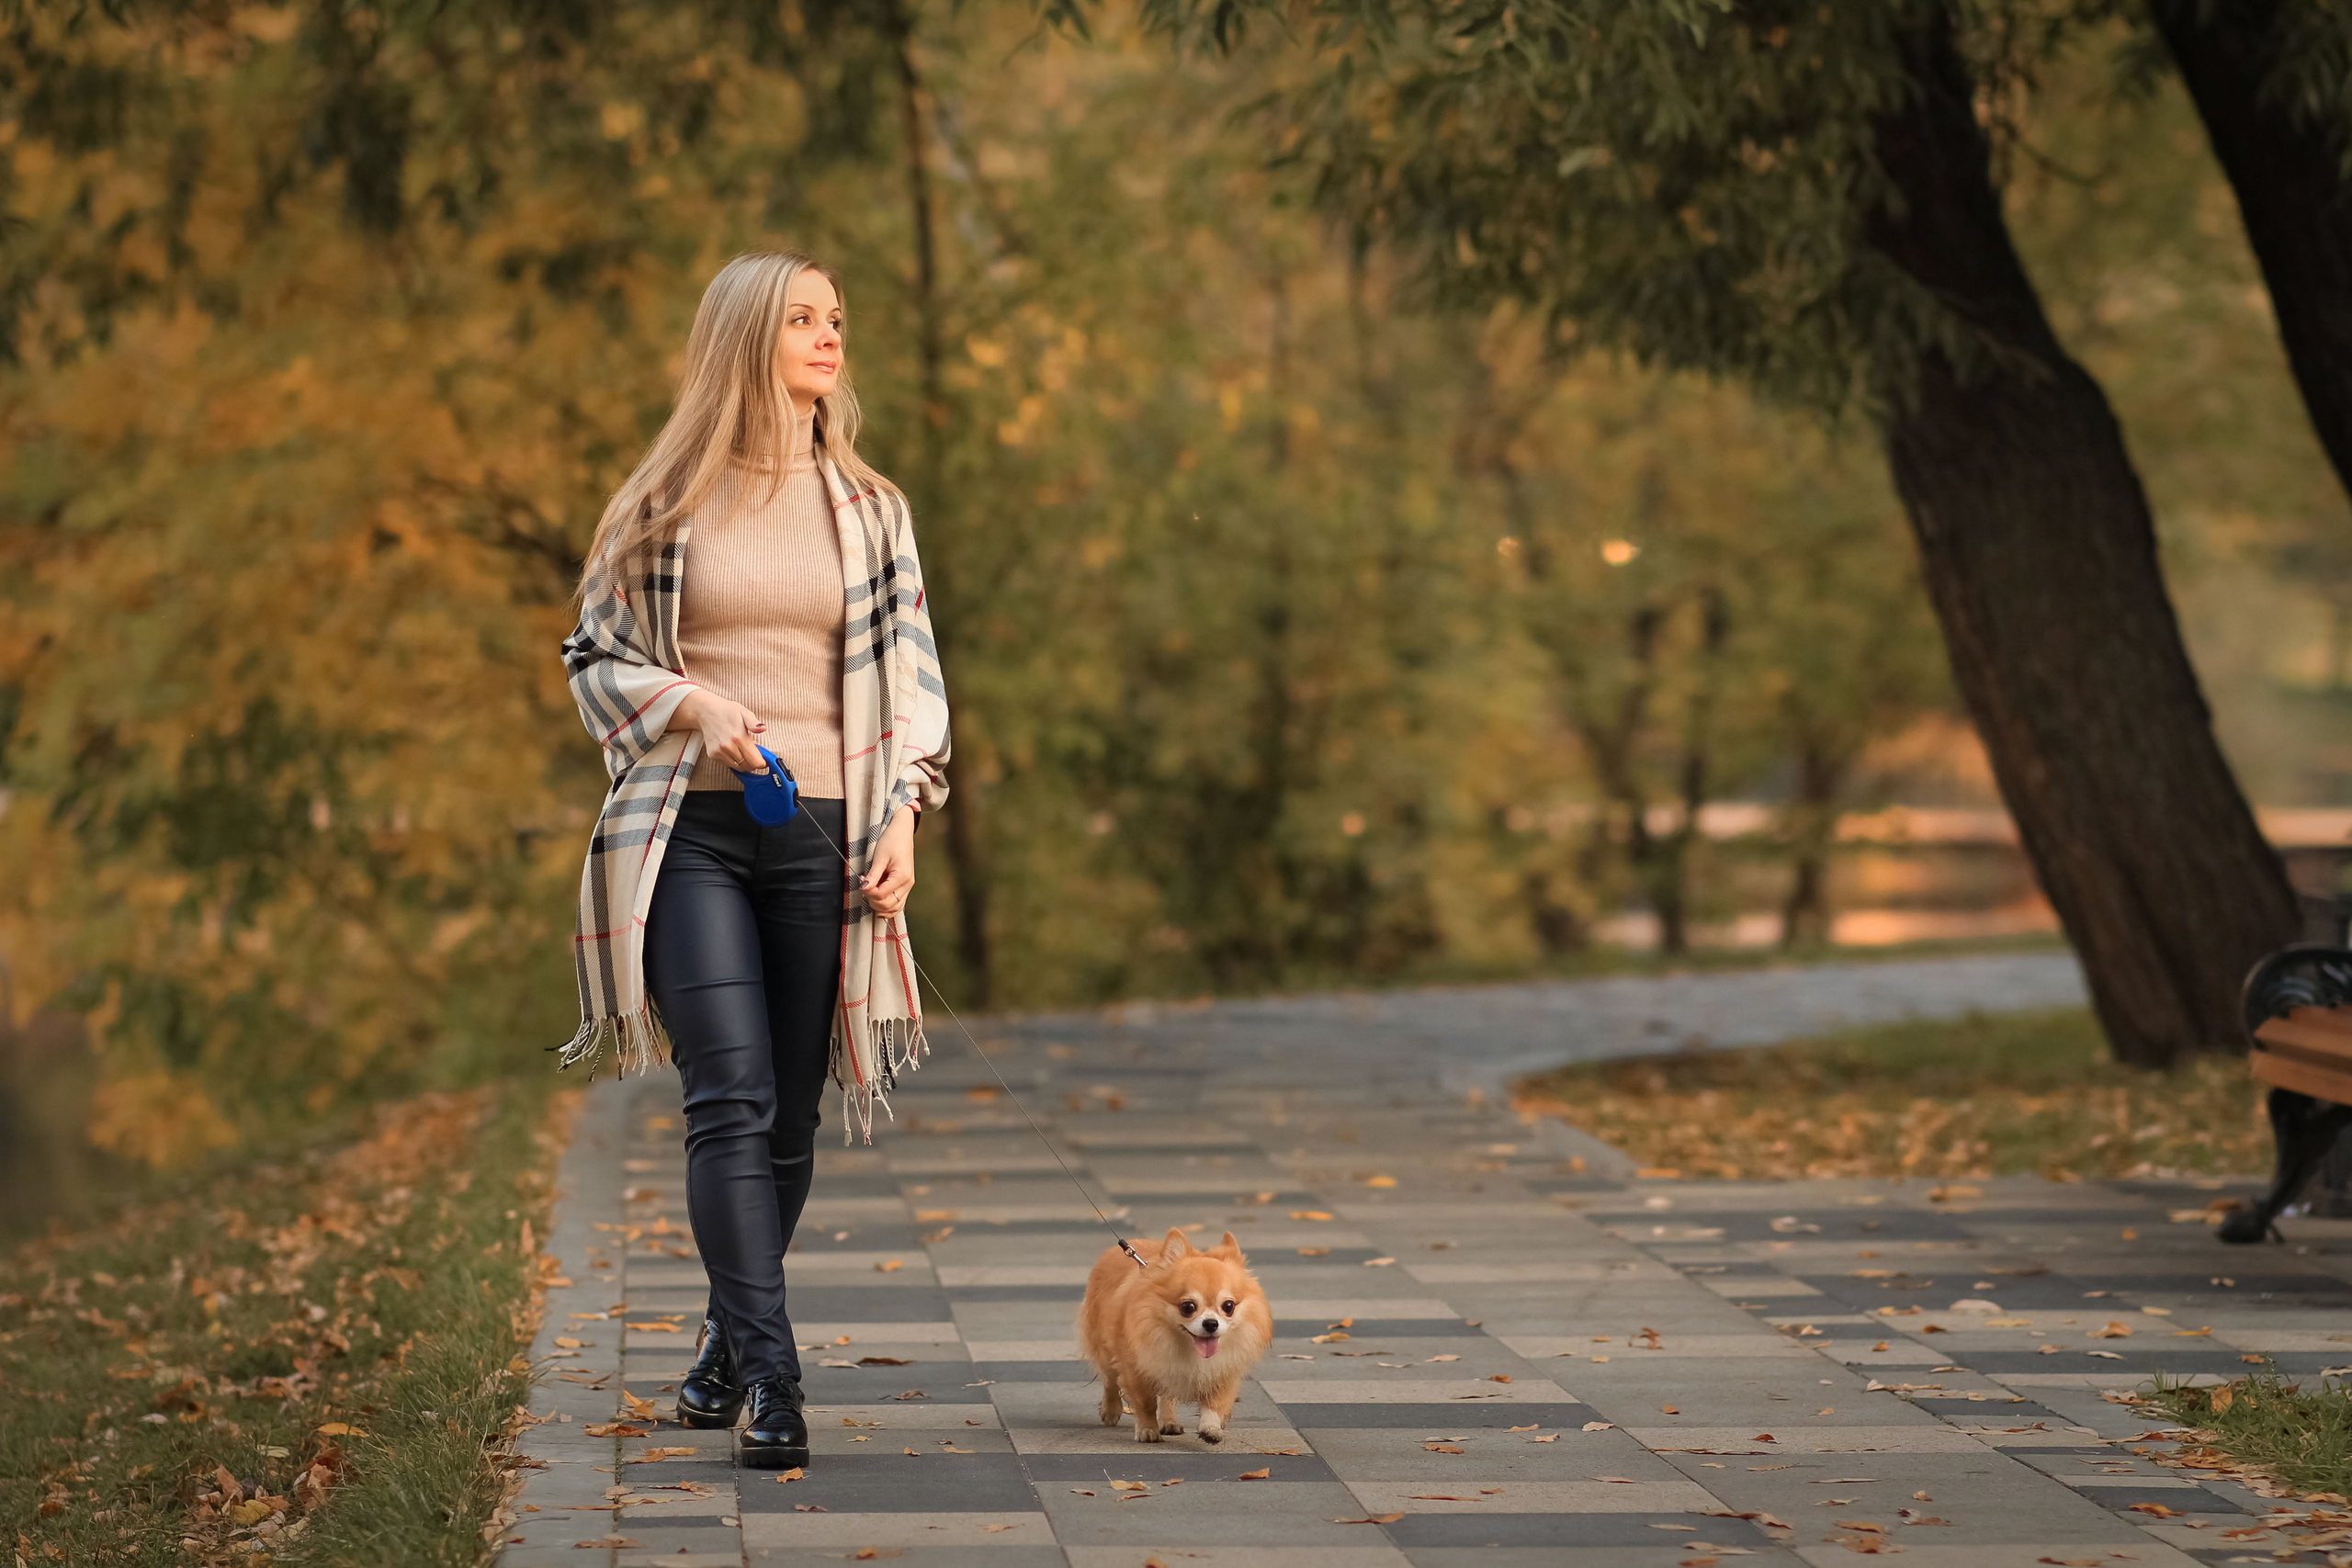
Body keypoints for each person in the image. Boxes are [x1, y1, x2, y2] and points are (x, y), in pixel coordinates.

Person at [557, 251, 952, 1469]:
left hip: (824, 831)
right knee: (725, 1096)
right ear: (744, 337)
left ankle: (730, 1343)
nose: (830, 337)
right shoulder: (662, 504)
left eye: (837, 319)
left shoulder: (871, 507)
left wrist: (904, 820)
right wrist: (690, 702)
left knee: (789, 1117)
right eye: (803, 318)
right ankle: (776, 1382)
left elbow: (918, 685)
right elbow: (593, 658)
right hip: (687, 831)